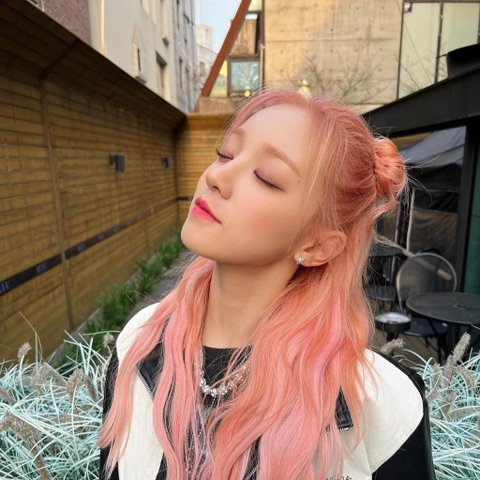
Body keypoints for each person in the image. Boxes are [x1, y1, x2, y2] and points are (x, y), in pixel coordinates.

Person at [97, 87, 436, 480]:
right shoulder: (138, 342)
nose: (216, 176)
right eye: (226, 154)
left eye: (266, 178)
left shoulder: (384, 406)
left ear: (318, 245)